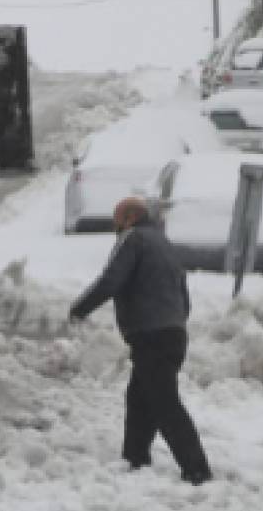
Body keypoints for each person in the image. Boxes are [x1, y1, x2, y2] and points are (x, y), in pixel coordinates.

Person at [69, 197, 213, 486]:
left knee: (164, 402)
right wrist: (175, 322)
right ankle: (135, 457)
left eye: (117, 218)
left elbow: (111, 279)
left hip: (151, 334)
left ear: (131, 218)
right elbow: (183, 294)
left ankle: (196, 468)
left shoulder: (133, 239)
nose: (114, 224)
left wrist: (80, 308)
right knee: (139, 397)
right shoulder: (163, 244)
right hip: (173, 333)